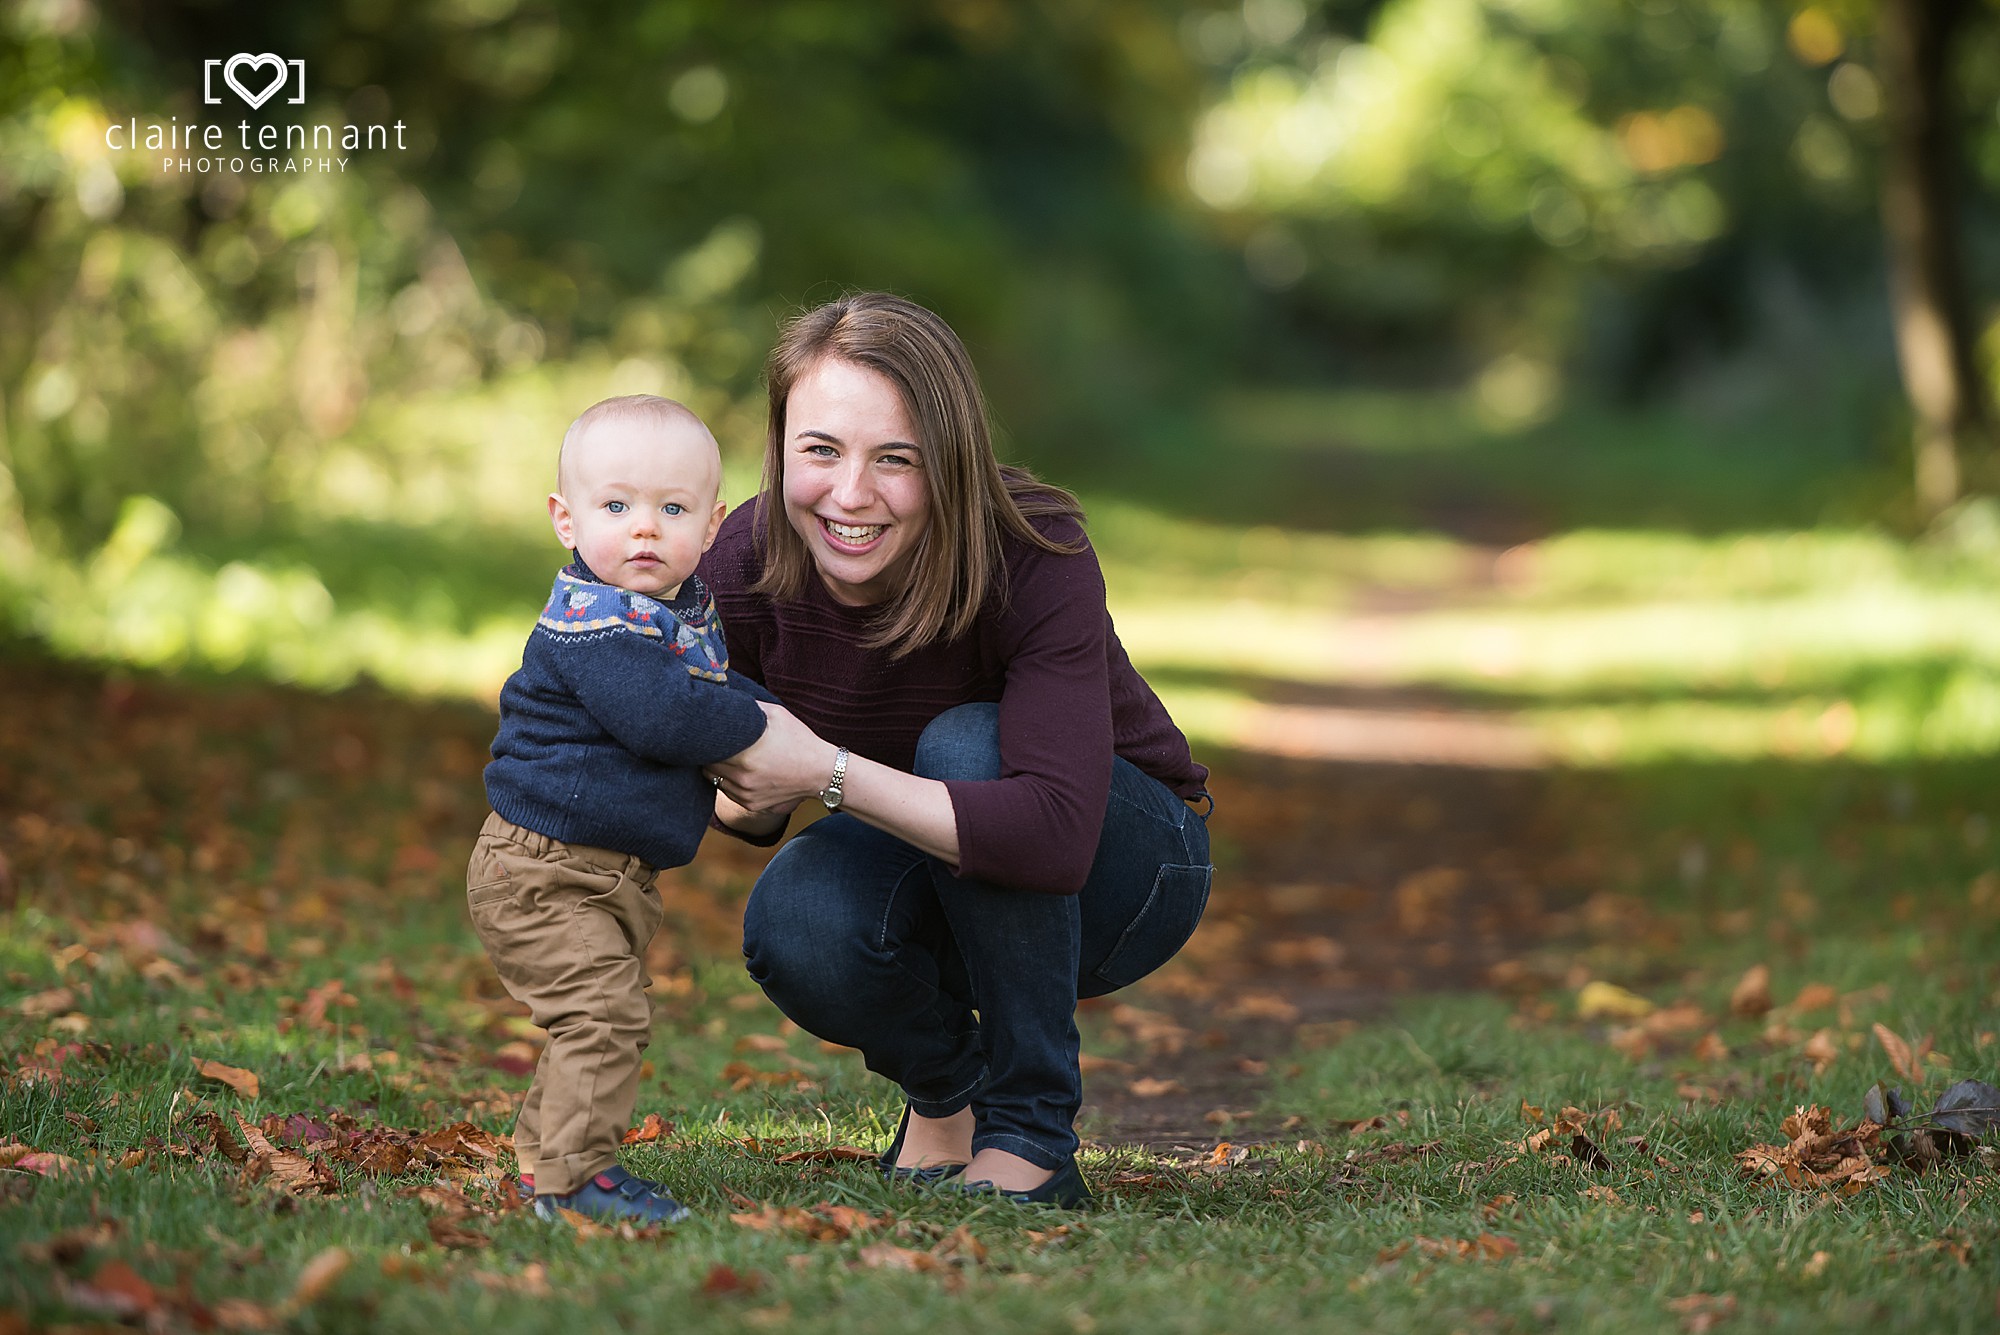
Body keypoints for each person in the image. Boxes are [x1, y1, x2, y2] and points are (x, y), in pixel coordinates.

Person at [701, 292, 1213, 1208]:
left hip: (1123, 870)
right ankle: (950, 1095)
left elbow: (1053, 835)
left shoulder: (1030, 549)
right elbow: (744, 802)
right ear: (779, 446)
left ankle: (1030, 1130)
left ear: (952, 461)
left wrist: (822, 770)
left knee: (967, 741)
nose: (849, 495)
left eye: (895, 460)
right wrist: (739, 776)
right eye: (820, 451)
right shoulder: (744, 554)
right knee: (797, 919)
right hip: (925, 850)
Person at [469, 394, 775, 1224]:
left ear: (712, 526)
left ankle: (541, 1162)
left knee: (597, 1016)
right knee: (602, 1014)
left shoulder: (669, 617)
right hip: (543, 867)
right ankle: (577, 1181)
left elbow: (705, 686)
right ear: (565, 520)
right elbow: (668, 715)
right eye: (616, 506)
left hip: (603, 869)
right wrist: (762, 727)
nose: (645, 528)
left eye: (671, 509)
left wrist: (776, 725)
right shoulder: (596, 628)